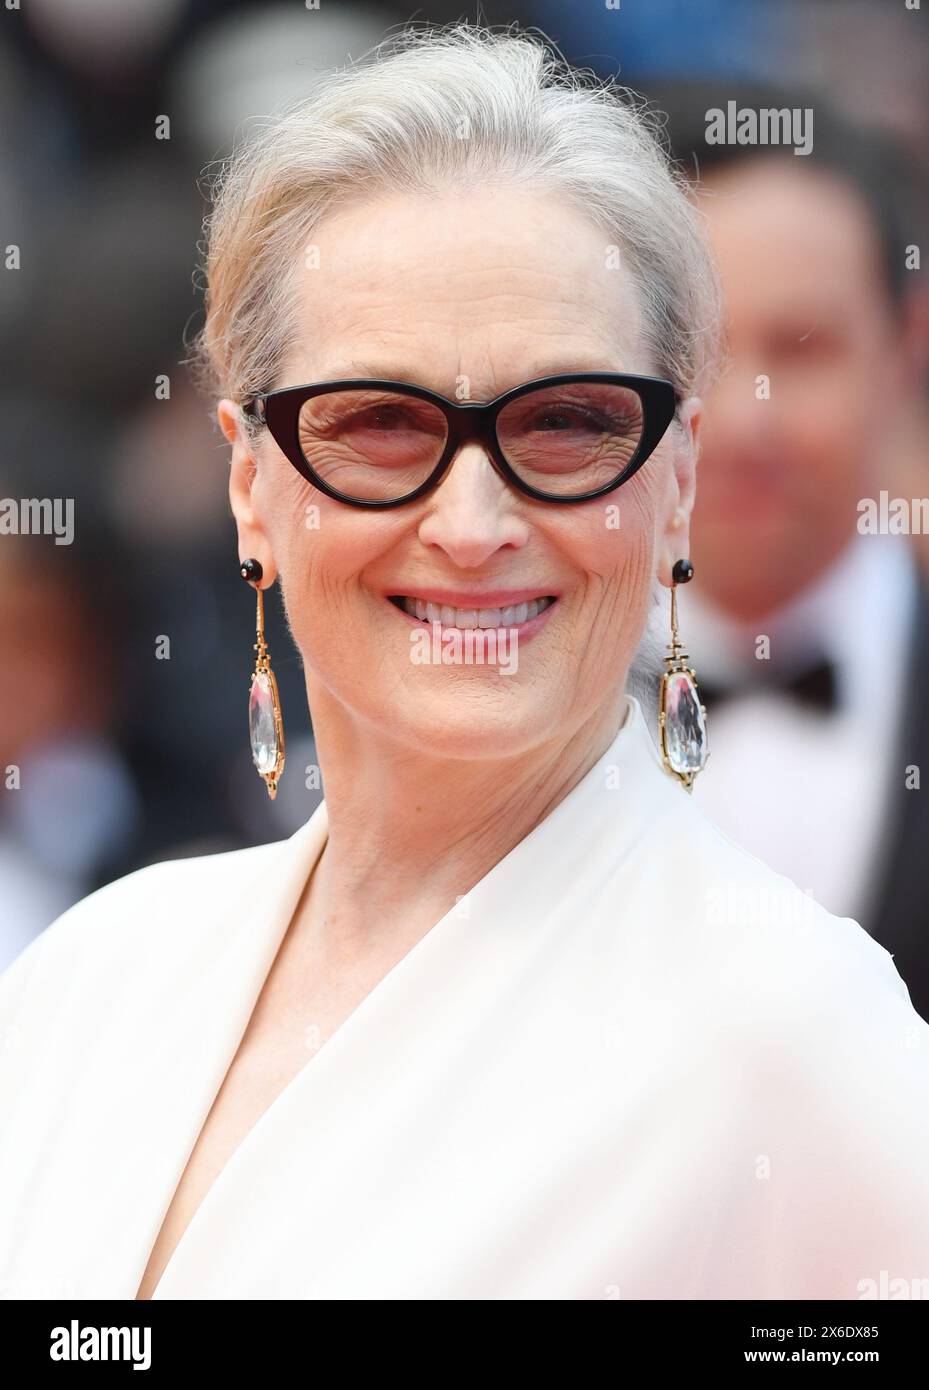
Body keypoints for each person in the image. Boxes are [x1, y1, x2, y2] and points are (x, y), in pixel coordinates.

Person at [2, 23, 929, 1302]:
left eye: (565, 423)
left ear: (674, 478)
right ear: (248, 482)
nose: (473, 525)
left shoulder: (794, 1036)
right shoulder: (90, 980)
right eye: (380, 424)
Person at [653, 81, 929, 1023]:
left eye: (801, 349)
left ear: (907, 347)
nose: (741, 424)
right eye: (690, 358)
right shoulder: (488, 708)